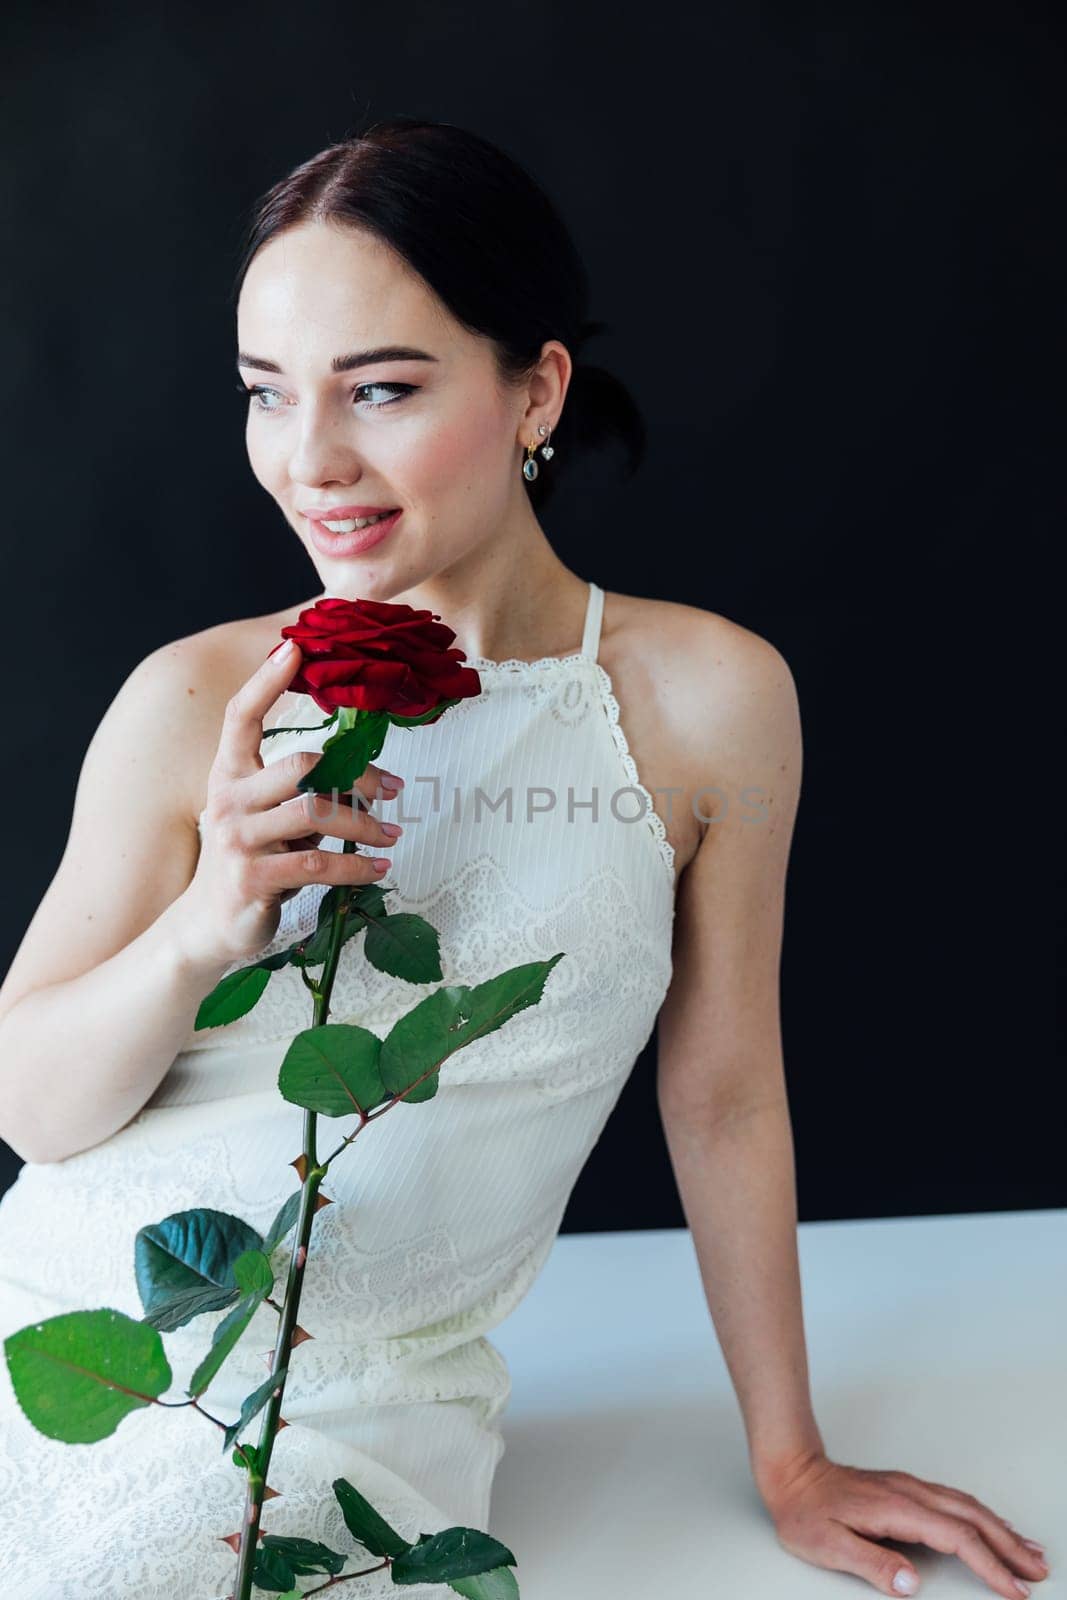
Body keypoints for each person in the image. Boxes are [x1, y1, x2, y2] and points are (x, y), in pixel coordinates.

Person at [0, 118, 1048, 1600]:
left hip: (356, 1409)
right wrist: (206, 926)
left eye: (381, 390)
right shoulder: (194, 700)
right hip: (68, 1338)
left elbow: (729, 1090)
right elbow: (31, 1111)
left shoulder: (707, 701)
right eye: (265, 396)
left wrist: (791, 1459)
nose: (312, 461)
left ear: (534, 387)